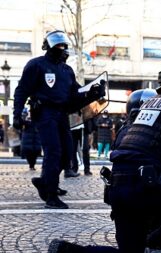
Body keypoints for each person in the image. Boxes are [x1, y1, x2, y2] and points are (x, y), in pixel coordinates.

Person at [48, 52, 161, 253]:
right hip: (150, 187)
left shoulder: (151, 102)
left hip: (118, 186)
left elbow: (123, 143)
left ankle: (70, 252)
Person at [13, 30, 106, 209]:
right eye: (58, 45)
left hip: (62, 114)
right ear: (48, 46)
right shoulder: (36, 65)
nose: (62, 48)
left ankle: (44, 182)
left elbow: (76, 96)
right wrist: (17, 114)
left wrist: (93, 94)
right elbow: (22, 90)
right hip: (44, 114)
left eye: (64, 46)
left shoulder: (67, 70)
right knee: (54, 151)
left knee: (67, 154)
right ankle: (51, 195)